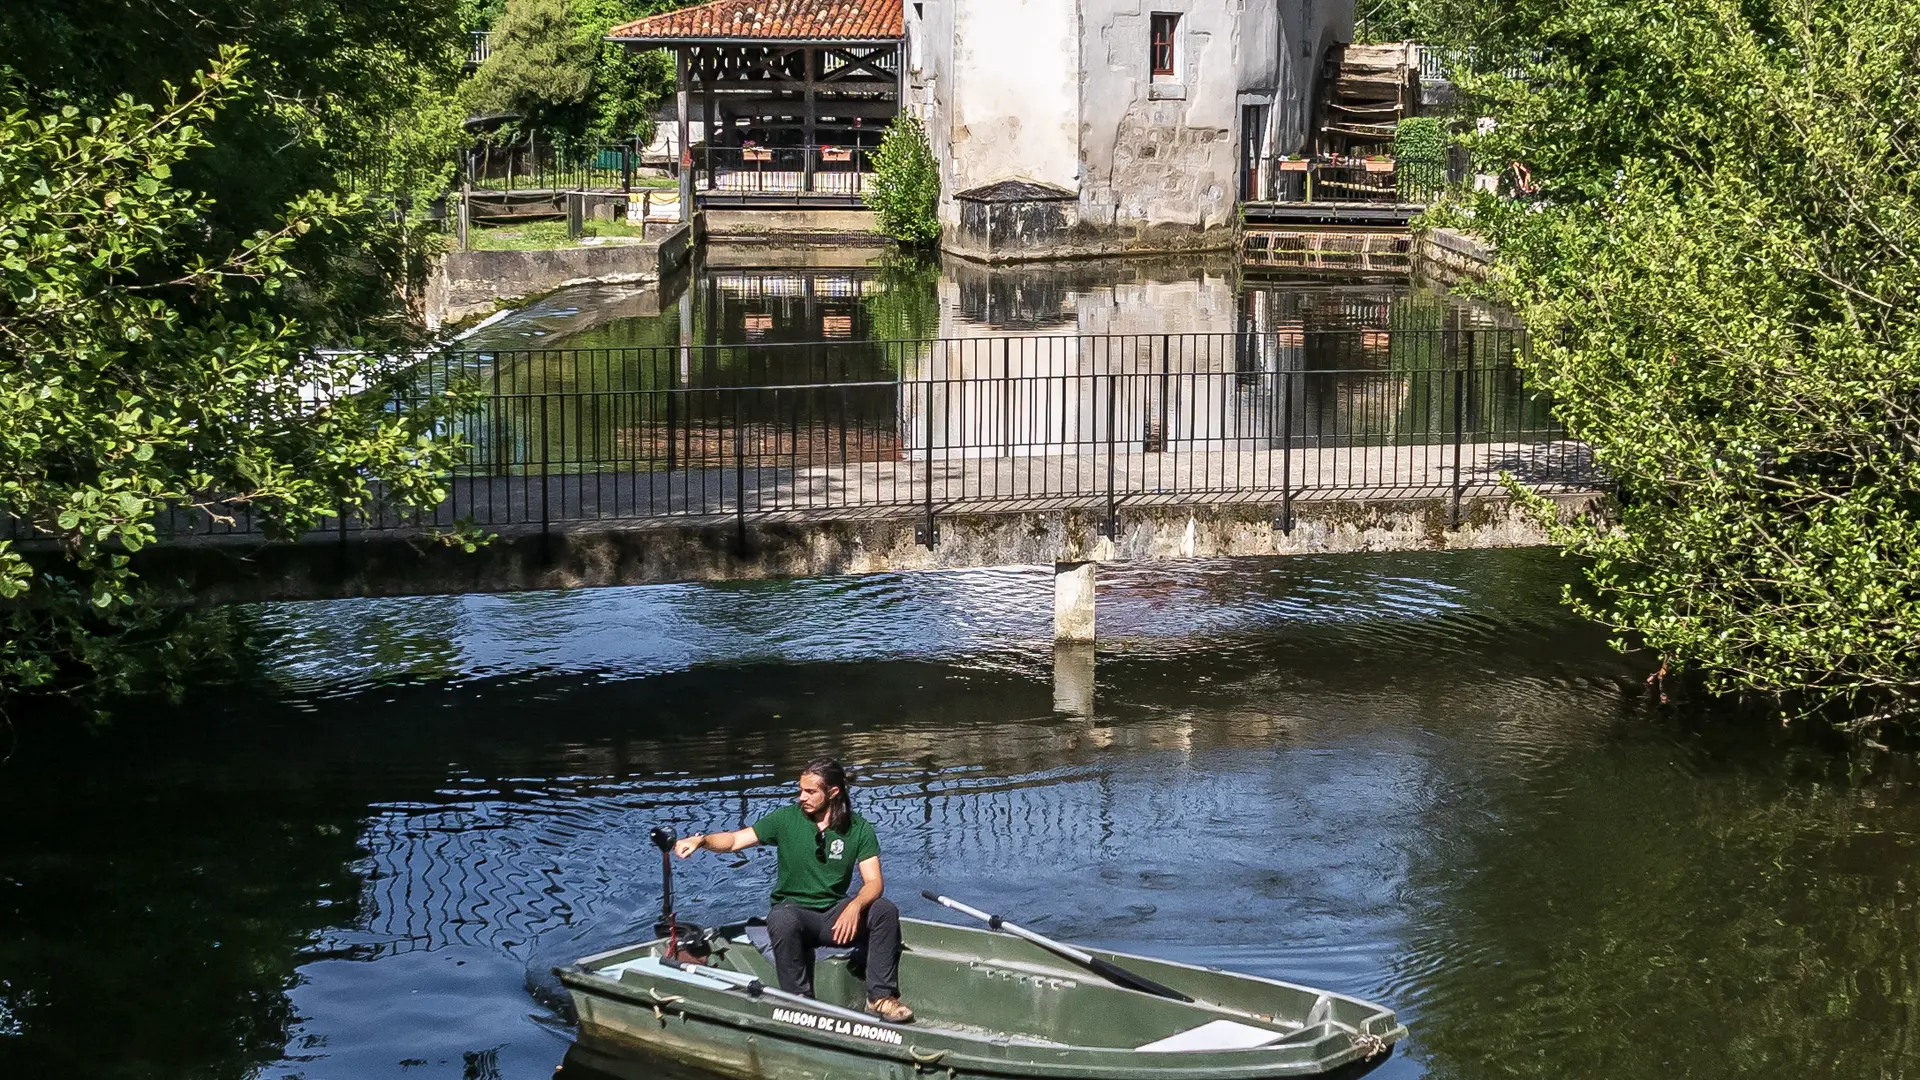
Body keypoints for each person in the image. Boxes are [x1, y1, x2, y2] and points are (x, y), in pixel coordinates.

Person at [673, 759, 914, 1023]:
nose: (802, 797)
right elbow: (734, 841)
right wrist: (702, 840)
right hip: (796, 915)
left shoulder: (858, 829)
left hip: (835, 915)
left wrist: (854, 906)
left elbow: (874, 882)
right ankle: (799, 1002)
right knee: (781, 917)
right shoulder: (786, 819)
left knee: (884, 910)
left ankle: (880, 998)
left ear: (833, 792)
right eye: (800, 790)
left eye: (810, 792)